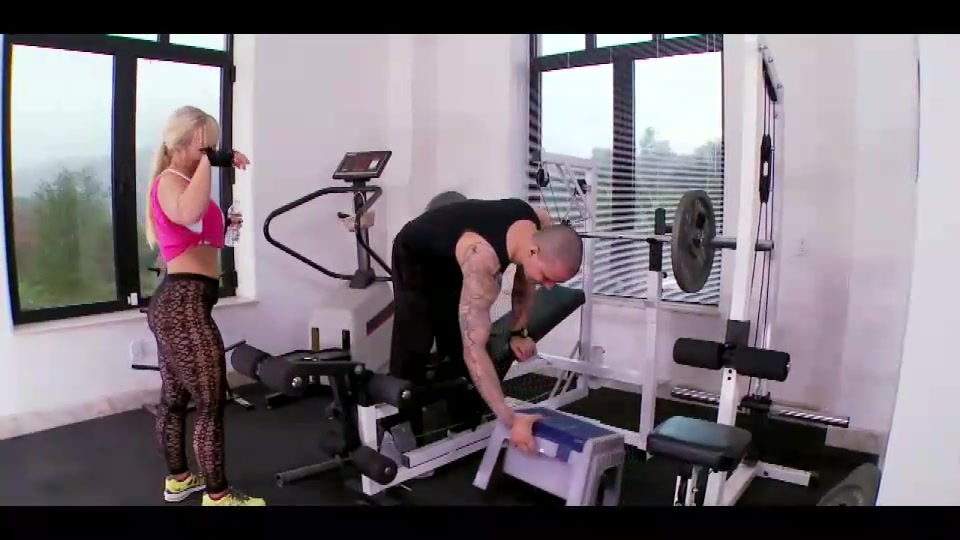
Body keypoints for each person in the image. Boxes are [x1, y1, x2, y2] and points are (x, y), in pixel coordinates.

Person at [389, 197, 584, 453]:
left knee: (454, 339)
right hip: (417, 257)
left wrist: (519, 332)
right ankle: (399, 434)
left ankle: (462, 423)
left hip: (455, 256)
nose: (548, 286)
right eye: (546, 277)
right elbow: (474, 351)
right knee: (415, 345)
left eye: (553, 282)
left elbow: (525, 281)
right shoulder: (483, 262)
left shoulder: (538, 225)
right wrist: (511, 419)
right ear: (533, 252)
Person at [143, 106, 264, 507]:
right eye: (204, 145)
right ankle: (218, 496)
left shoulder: (184, 180)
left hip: (182, 303)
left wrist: (227, 229)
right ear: (180, 144)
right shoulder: (169, 181)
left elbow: (200, 235)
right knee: (211, 404)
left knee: (175, 401)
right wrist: (216, 161)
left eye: (212, 145)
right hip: (182, 305)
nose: (209, 152)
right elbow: (188, 212)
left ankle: (179, 481)